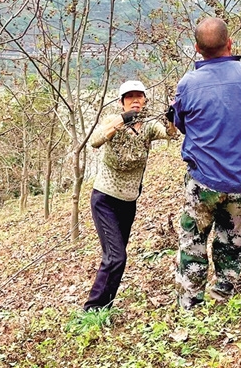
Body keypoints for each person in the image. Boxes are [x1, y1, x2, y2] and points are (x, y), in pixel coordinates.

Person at [171, 17, 241, 309]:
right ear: (230, 43)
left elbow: (180, 124)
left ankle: (191, 303)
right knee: (231, 238)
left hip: (203, 179)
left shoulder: (188, 84)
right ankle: (223, 293)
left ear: (197, 49)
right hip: (239, 179)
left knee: (193, 242)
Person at [84, 80, 176, 311]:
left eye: (139, 96)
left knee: (116, 257)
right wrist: (121, 121)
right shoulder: (113, 121)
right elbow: (95, 141)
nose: (135, 100)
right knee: (116, 257)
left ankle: (105, 306)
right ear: (122, 102)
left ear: (145, 100)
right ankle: (92, 309)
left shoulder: (149, 126)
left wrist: (172, 118)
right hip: (105, 200)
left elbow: (170, 134)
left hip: (128, 202)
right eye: (129, 97)